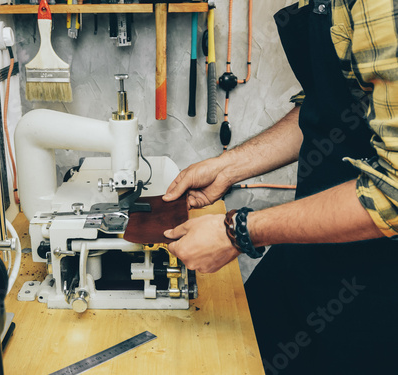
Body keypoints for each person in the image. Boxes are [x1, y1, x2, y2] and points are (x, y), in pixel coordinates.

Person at [162, 0, 398, 374]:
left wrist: (238, 232)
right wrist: (228, 166)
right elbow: (329, 105)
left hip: (377, 286)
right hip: (313, 251)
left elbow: (393, 196)